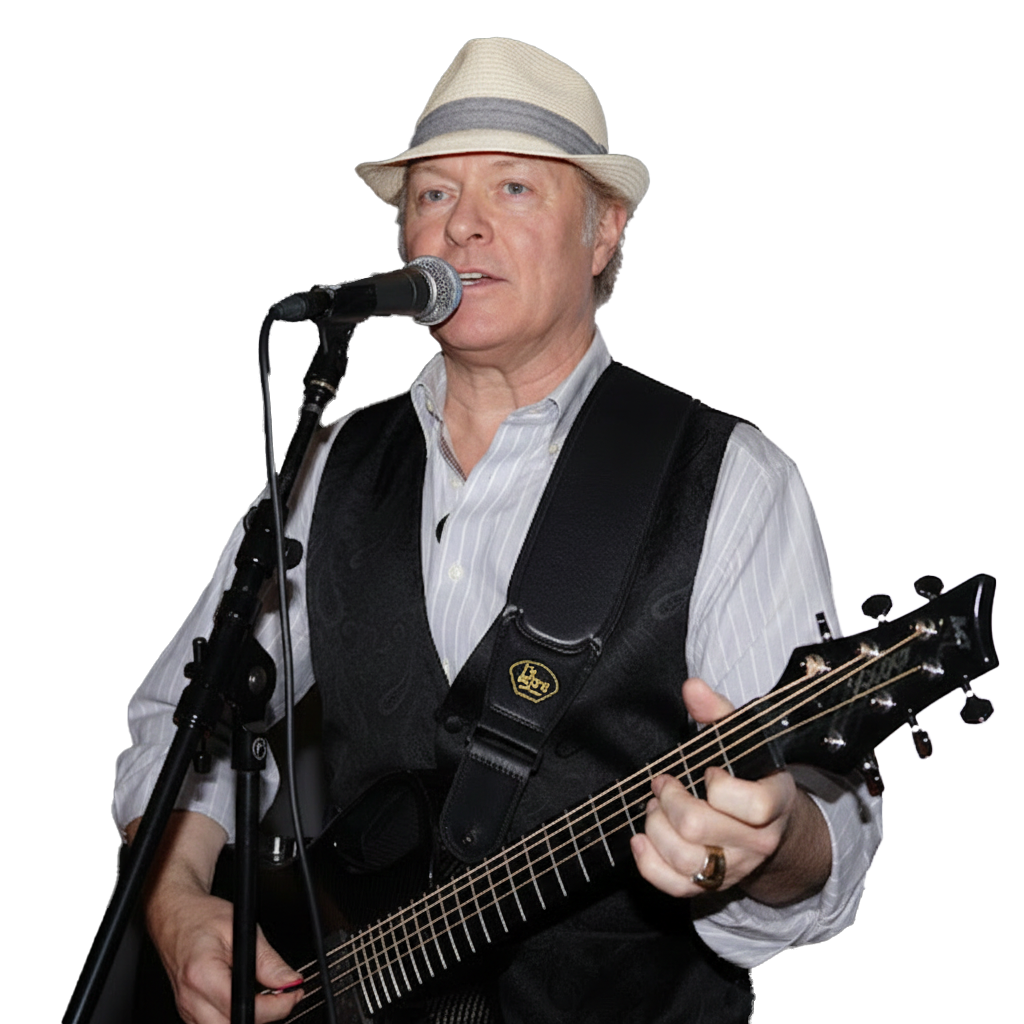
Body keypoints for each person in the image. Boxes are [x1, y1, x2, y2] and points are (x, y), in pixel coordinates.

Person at [114, 37, 881, 1024]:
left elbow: (828, 822)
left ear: (602, 232)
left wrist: (776, 843)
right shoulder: (335, 460)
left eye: (514, 188)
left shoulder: (730, 476)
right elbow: (184, 721)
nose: (464, 224)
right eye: (432, 195)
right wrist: (177, 905)